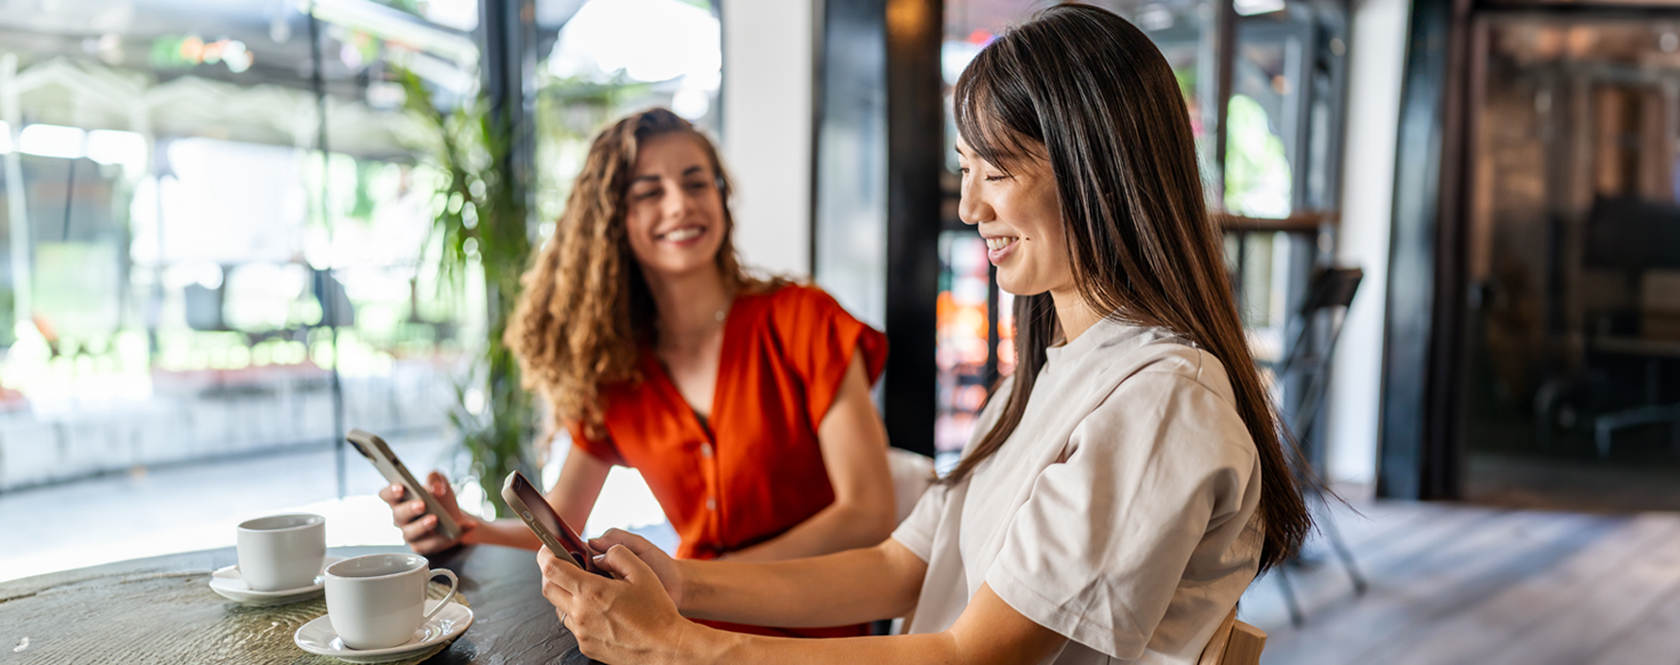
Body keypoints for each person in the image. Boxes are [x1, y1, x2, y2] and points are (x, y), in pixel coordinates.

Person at [533, 5, 1313, 664]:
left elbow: (969, 655)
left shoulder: (1159, 402)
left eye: (996, 171)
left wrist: (679, 645)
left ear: (1098, 169)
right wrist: (682, 583)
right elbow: (901, 563)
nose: (970, 208)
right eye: (964, 169)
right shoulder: (1046, 375)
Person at [380, 108, 897, 639]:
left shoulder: (805, 320)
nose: (681, 203)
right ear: (613, 220)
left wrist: (694, 579)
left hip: (813, 631)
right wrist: (466, 527)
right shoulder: (619, 369)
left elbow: (869, 512)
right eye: (649, 192)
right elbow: (563, 521)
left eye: (697, 182)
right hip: (679, 630)